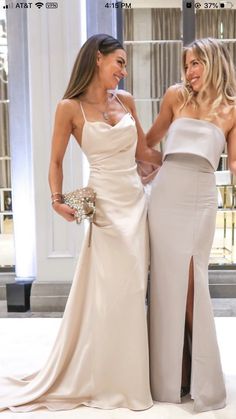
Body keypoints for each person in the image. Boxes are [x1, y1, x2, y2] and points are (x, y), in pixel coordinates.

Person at [0, 33, 161, 412]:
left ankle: (129, 378)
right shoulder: (68, 108)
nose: (123, 70)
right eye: (119, 61)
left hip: (135, 205)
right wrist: (56, 200)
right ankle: (103, 376)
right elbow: (54, 161)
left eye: (124, 63)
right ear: (98, 59)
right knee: (110, 294)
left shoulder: (127, 101)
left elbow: (142, 152)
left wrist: (185, 146)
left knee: (133, 290)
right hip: (103, 209)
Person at [147, 37, 236, 413]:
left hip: (201, 199)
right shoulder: (174, 97)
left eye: (197, 63)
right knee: (167, 283)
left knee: (191, 281)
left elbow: (234, 164)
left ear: (214, 62)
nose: (190, 72)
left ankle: (198, 375)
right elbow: (148, 143)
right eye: (186, 65)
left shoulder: (232, 108)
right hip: (166, 195)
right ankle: (176, 377)